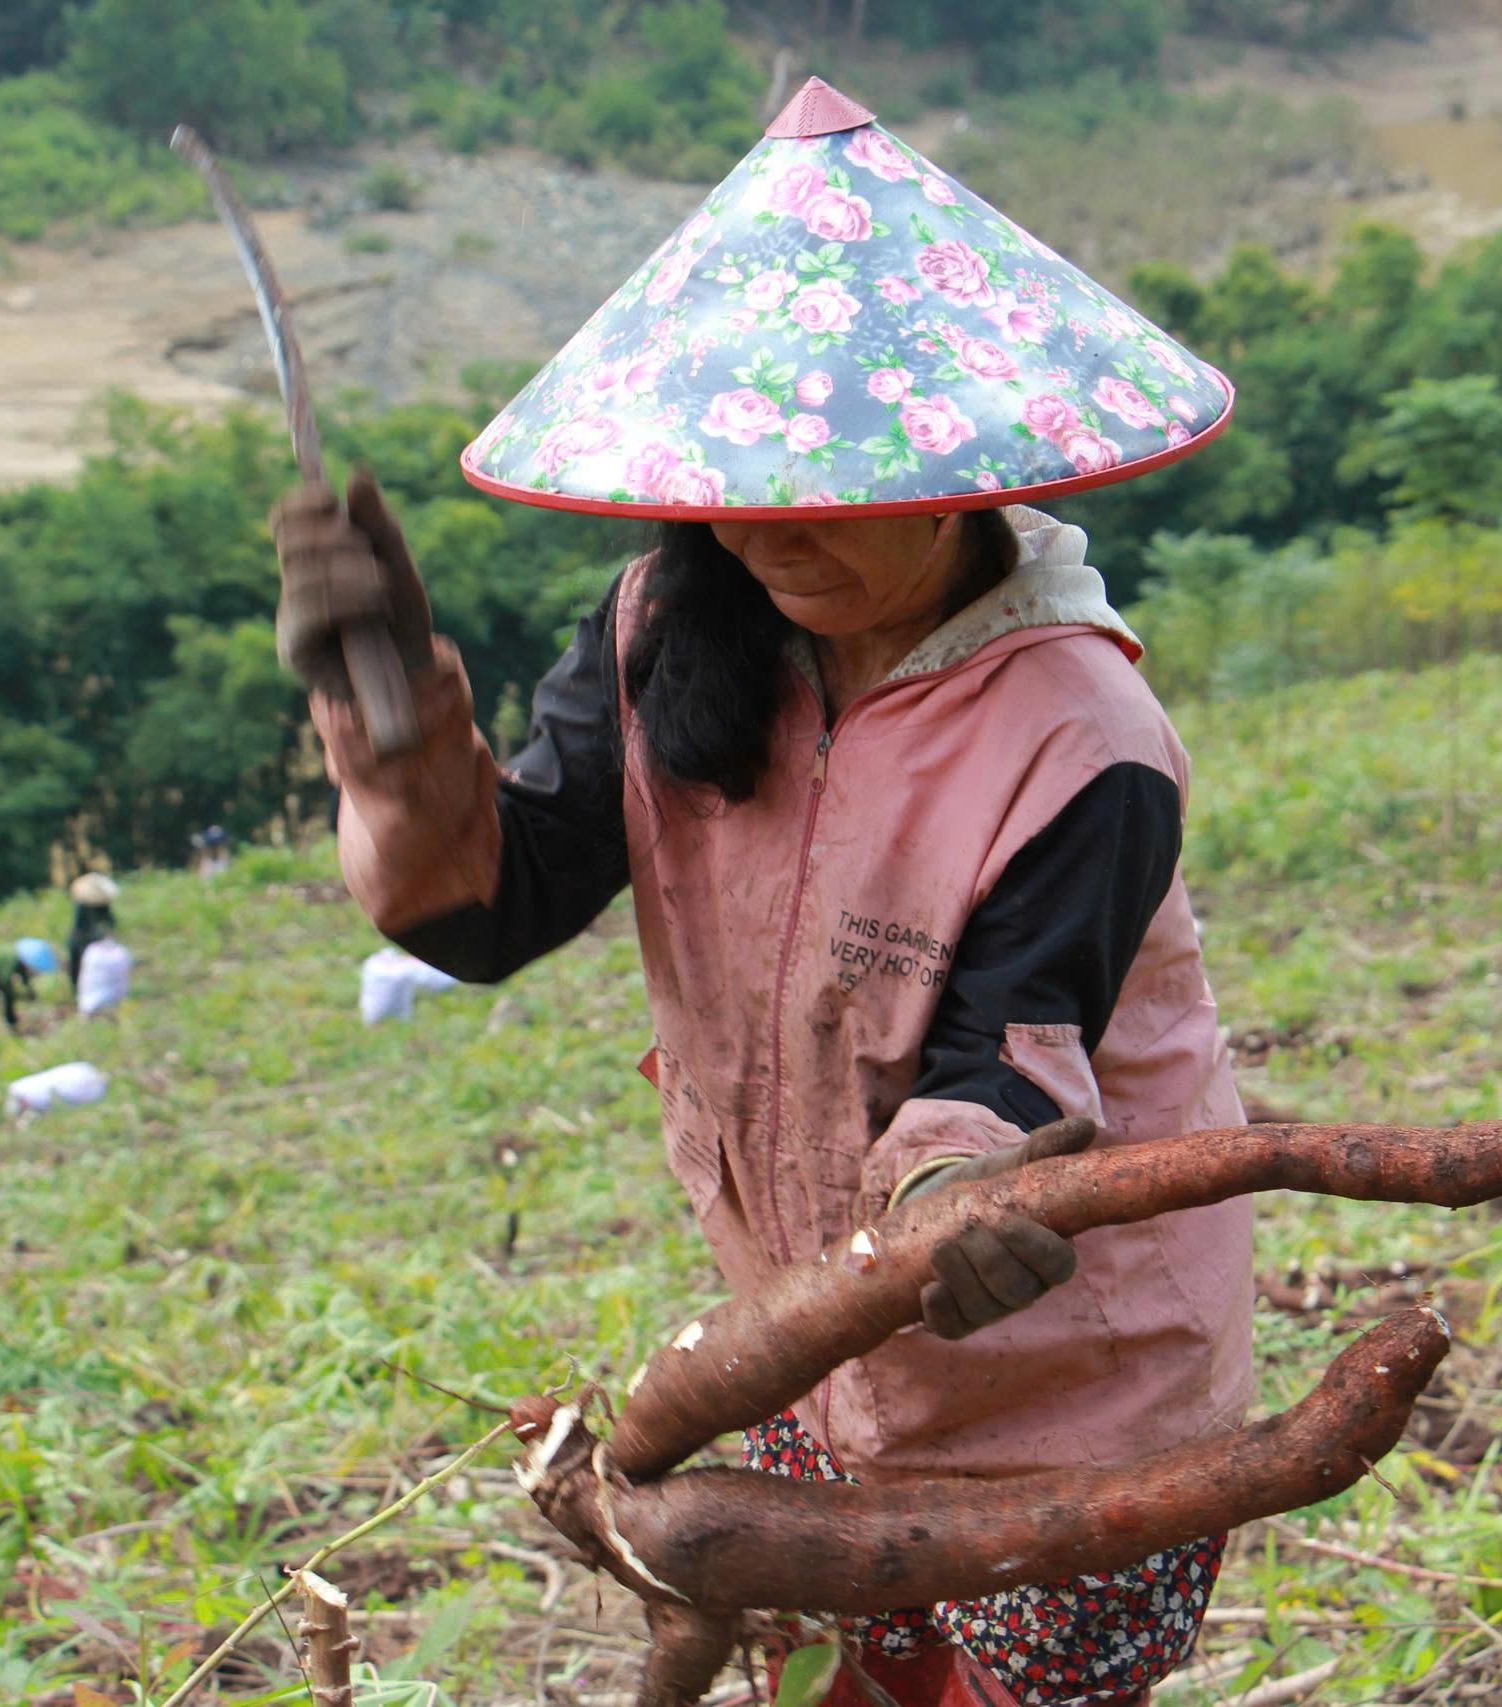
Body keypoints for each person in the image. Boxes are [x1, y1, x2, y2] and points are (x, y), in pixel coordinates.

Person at [279, 80, 1251, 1707]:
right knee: (839, 1683)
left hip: (1074, 1368)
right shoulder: (666, 625)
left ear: (964, 467)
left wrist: (962, 1199)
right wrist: (391, 723)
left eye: (838, 481)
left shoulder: (1082, 735)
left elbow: (1007, 1058)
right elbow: (487, 908)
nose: (778, 525)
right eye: (745, 476)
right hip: (811, 1333)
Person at [66, 873, 118, 986]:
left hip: (89, 940)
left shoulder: (99, 905)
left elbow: (110, 921)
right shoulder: (84, 905)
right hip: (84, 939)